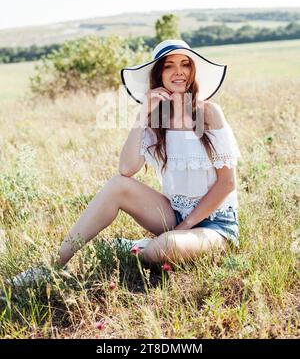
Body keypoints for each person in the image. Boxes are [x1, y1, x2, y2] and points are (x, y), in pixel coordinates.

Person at [9, 39, 242, 286]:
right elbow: (126, 169)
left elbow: (227, 184)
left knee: (161, 249)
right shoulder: (157, 118)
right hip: (174, 214)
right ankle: (53, 265)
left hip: (215, 225)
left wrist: (184, 226)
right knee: (117, 185)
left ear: (192, 71)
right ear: (158, 74)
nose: (178, 72)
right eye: (169, 66)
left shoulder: (208, 112)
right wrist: (143, 115)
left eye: (185, 64)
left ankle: (138, 247)